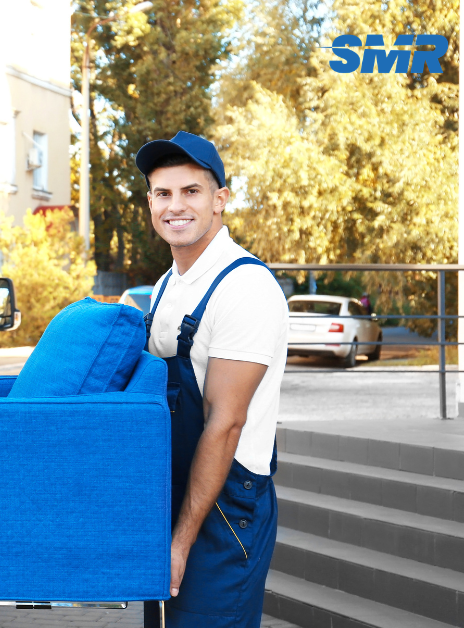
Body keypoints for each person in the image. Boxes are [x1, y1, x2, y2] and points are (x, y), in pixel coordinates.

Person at [135, 132, 289, 628]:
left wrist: (180, 544)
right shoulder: (165, 286)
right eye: (163, 193)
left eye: (191, 191)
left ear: (220, 200)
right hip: (175, 492)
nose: (174, 206)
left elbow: (224, 424)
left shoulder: (245, 287)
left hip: (225, 507)